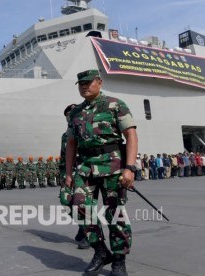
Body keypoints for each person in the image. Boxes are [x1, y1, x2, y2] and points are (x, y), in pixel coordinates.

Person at [66, 69, 137, 276]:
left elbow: (131, 135)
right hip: (85, 167)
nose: (84, 86)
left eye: (88, 82)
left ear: (99, 82)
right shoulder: (75, 113)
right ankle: (100, 251)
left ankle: (119, 260)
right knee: (79, 207)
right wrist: (69, 174)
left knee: (114, 213)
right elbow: (71, 144)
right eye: (81, 84)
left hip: (112, 166)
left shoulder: (115, 104)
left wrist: (130, 168)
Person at [59, 103, 89, 250]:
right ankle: (82, 225)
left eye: (72, 114)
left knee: (80, 204)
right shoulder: (65, 136)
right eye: (67, 115)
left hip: (83, 172)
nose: (69, 117)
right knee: (65, 201)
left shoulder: (86, 131)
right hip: (68, 174)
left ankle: (87, 234)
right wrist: (62, 174)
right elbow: (63, 157)